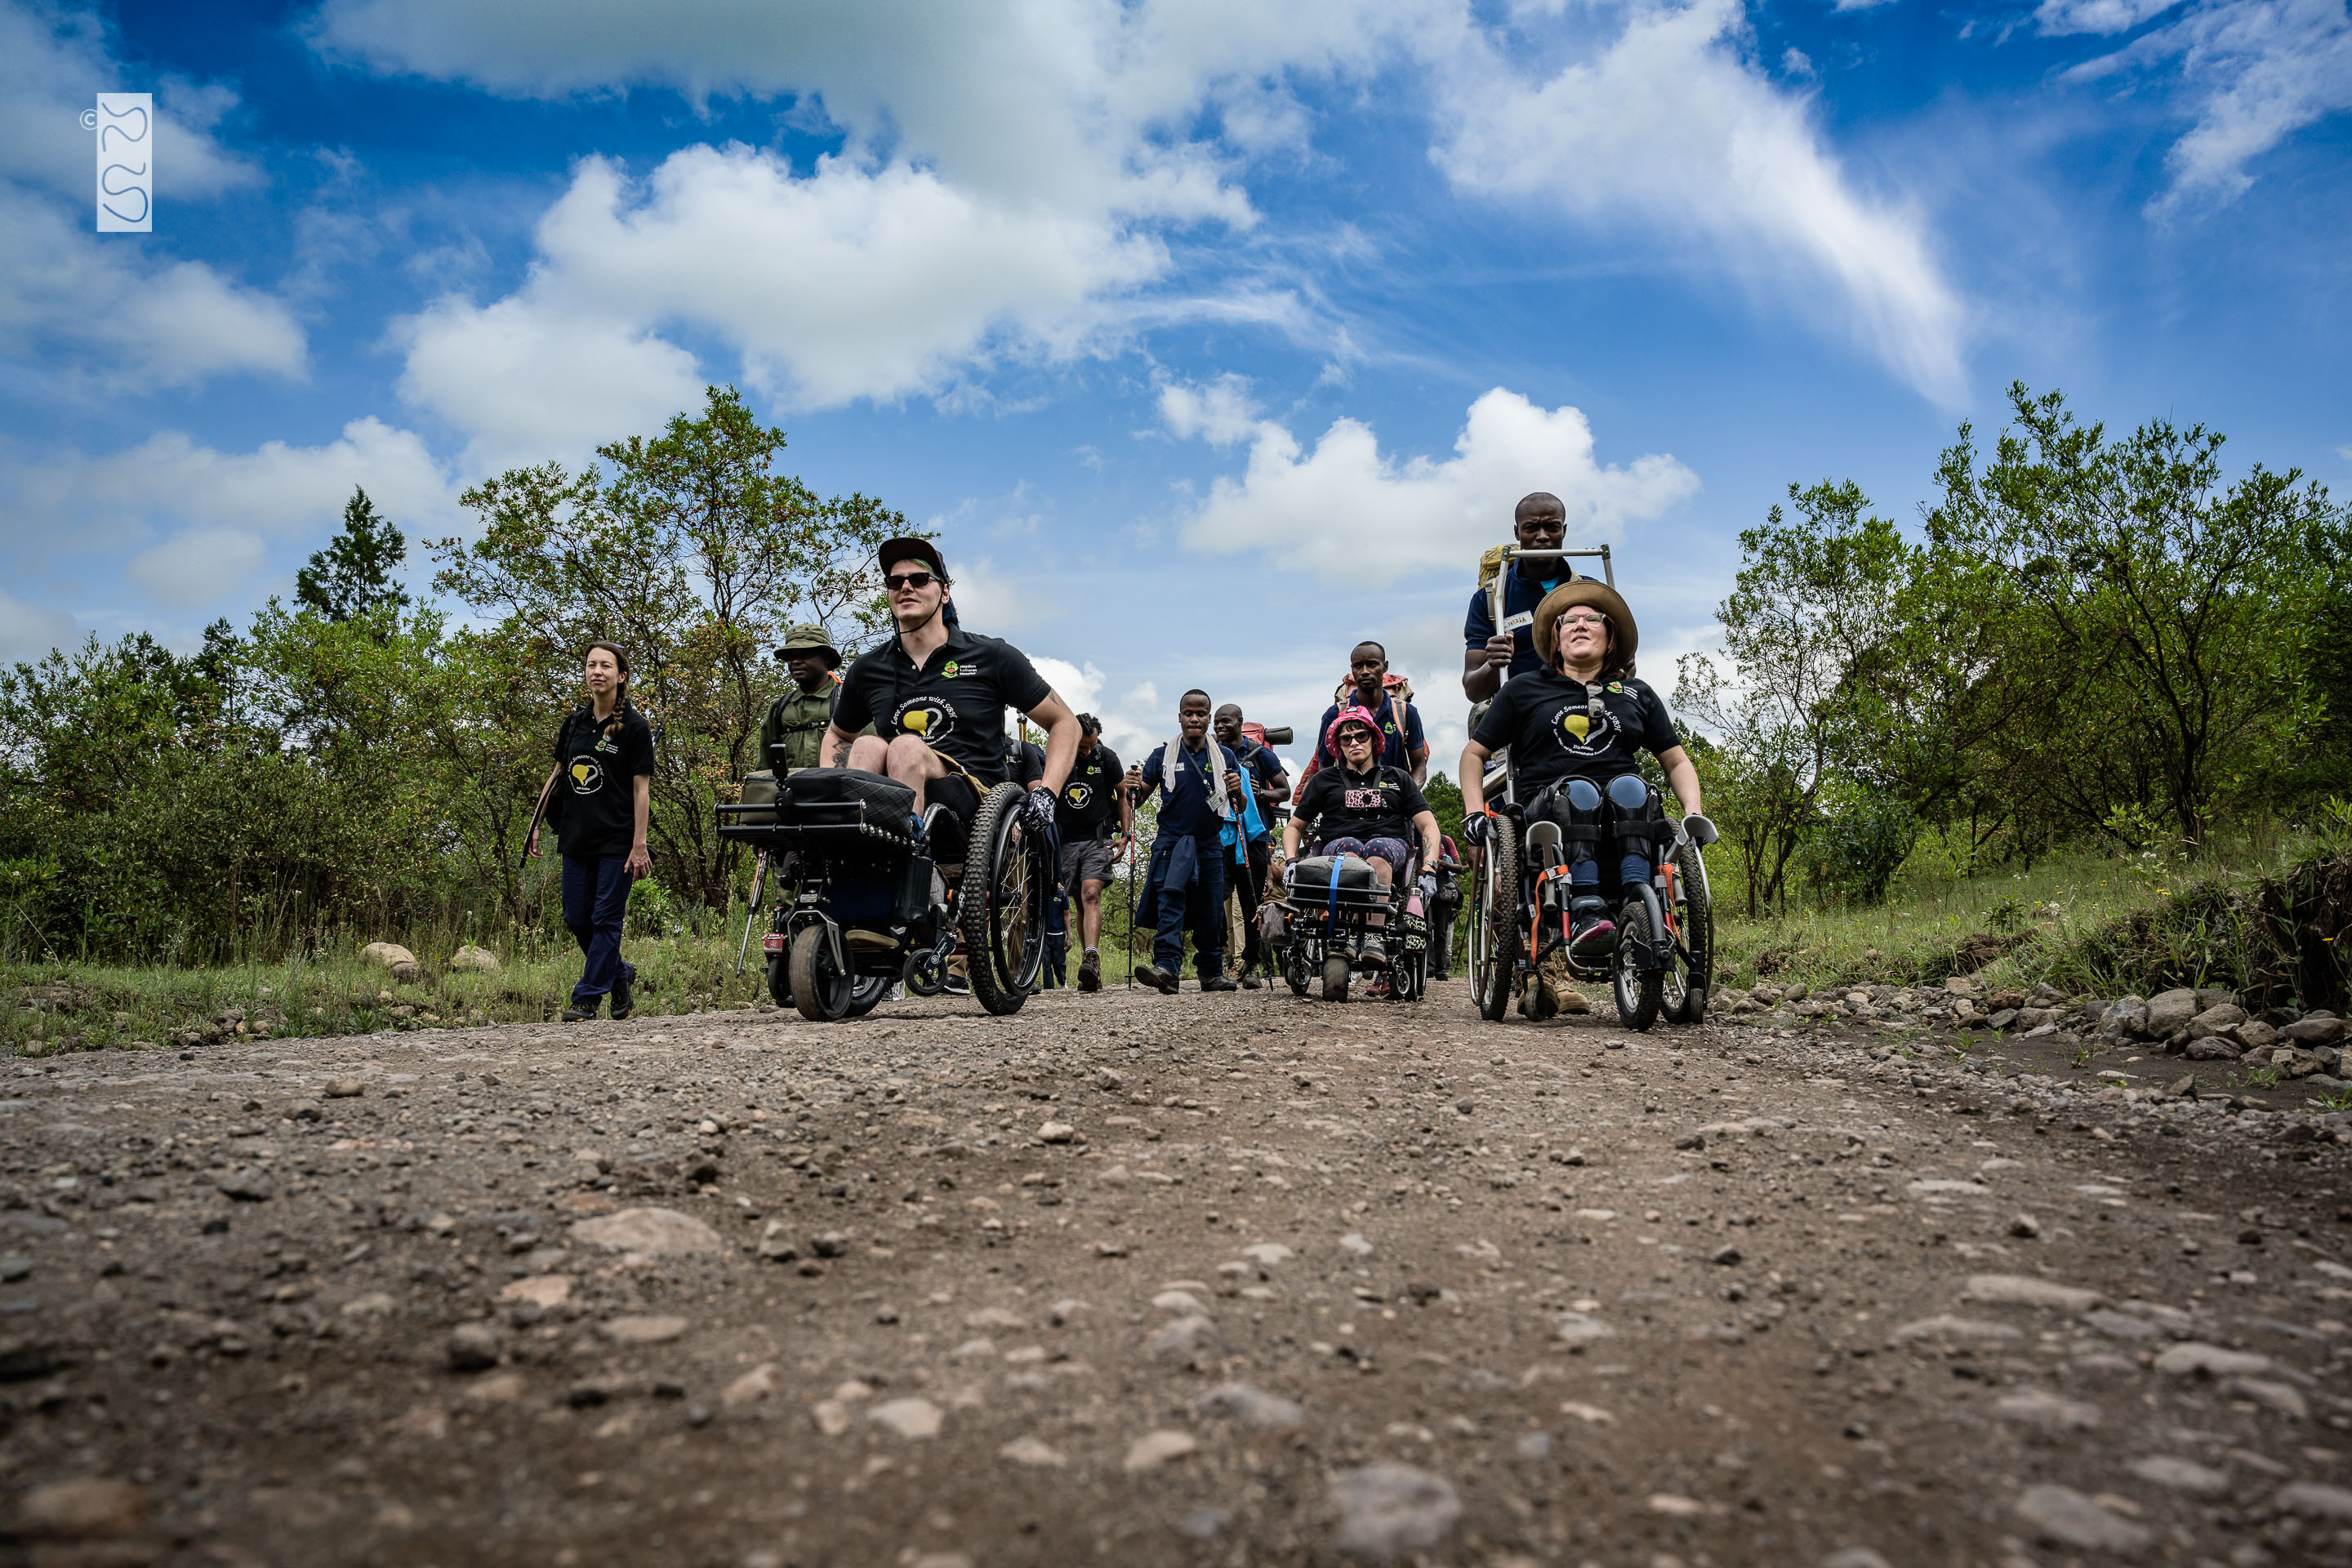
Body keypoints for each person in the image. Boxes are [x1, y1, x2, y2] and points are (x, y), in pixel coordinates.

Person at [1456, 579, 1710, 1016]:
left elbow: (1677, 762)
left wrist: (1693, 812)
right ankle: (1589, 908)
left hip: (1625, 809)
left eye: (1592, 619)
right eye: (1568, 620)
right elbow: (1474, 755)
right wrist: (1475, 812)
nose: (1580, 624)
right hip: (1546, 812)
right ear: (1553, 639)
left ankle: (1635, 897)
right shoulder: (1523, 690)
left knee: (1632, 787)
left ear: (1610, 637)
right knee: (1579, 791)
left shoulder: (1637, 694)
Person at [822, 538, 1080, 852]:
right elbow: (839, 733)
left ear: (944, 592)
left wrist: (1047, 793)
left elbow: (1065, 722)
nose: (905, 587)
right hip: (895, 794)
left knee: (906, 747)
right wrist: (831, 792)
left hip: (977, 804)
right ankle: (854, 863)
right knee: (864, 745)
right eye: (895, 581)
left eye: (918, 579)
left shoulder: (991, 656)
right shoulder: (869, 668)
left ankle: (910, 870)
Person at [526, 642, 655, 1022]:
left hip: (618, 840)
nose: (596, 671)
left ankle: (587, 998)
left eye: (605, 666)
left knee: (605, 919)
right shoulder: (574, 723)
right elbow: (556, 776)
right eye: (591, 665)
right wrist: (535, 825)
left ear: (621, 676)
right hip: (576, 836)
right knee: (577, 918)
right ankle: (619, 974)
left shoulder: (635, 727)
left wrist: (639, 845)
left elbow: (641, 789)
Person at [1285, 708, 1441, 947]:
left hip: (1390, 843)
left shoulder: (1398, 777)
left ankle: (1373, 935)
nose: (1354, 742)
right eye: (1346, 739)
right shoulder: (1324, 780)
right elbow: (1295, 826)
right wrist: (1290, 861)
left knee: (1378, 851)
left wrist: (1430, 866)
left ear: (1374, 738)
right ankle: (1342, 934)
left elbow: (1428, 824)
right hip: (1340, 845)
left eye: (1361, 736)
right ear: (1338, 745)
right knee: (1348, 853)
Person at [1126, 690, 1245, 994]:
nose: (1195, 718)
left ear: (1208, 717)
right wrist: (1130, 788)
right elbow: (1138, 800)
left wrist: (1238, 790)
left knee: (1211, 908)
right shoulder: (1160, 756)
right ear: (1179, 717)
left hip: (1209, 842)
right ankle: (1167, 967)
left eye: (1201, 713)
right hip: (1172, 842)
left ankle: (1210, 972)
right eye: (1188, 713)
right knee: (1171, 901)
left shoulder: (1225, 757)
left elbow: (1239, 806)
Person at [1463, 491, 1588, 702]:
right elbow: (1474, 692)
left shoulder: (1590, 592)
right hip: (1519, 721)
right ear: (1517, 533)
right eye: (1531, 528)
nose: (1542, 536)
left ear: (1564, 531)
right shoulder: (1490, 599)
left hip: (1584, 714)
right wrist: (1493, 664)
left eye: (1552, 527)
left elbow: (1622, 670)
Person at [1055, 715, 1129, 991]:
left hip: (1098, 839)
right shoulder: (1061, 756)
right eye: (1082, 747)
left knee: (1091, 893)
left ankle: (1091, 956)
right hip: (1066, 841)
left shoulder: (1107, 759)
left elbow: (1122, 795)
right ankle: (1090, 968)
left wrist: (1124, 835)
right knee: (1077, 900)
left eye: (1091, 746)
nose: (1086, 751)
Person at [1214, 703, 1287, 984]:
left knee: (1252, 901)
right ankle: (1220, 957)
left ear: (1239, 722)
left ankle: (1252, 964)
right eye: (1217, 723)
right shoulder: (1211, 753)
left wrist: (1263, 793)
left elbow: (1284, 790)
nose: (1220, 727)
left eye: (1226, 722)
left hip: (1254, 837)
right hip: (1220, 835)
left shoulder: (1261, 754)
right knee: (1215, 898)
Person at [1309, 643, 1428, 784]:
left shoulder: (1406, 712)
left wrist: (1407, 797)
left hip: (1396, 802)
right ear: (1352, 669)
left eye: (1372, 664)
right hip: (1347, 802)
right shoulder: (1334, 714)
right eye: (1358, 666)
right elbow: (1324, 768)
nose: (1365, 671)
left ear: (1385, 667)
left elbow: (1419, 767)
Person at [755, 623, 866, 773]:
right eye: (790, 657)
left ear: (826, 658)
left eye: (805, 654)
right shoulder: (780, 708)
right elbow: (764, 767)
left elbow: (870, 754)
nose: (795, 661)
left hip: (840, 793)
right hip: (791, 794)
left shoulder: (849, 701)